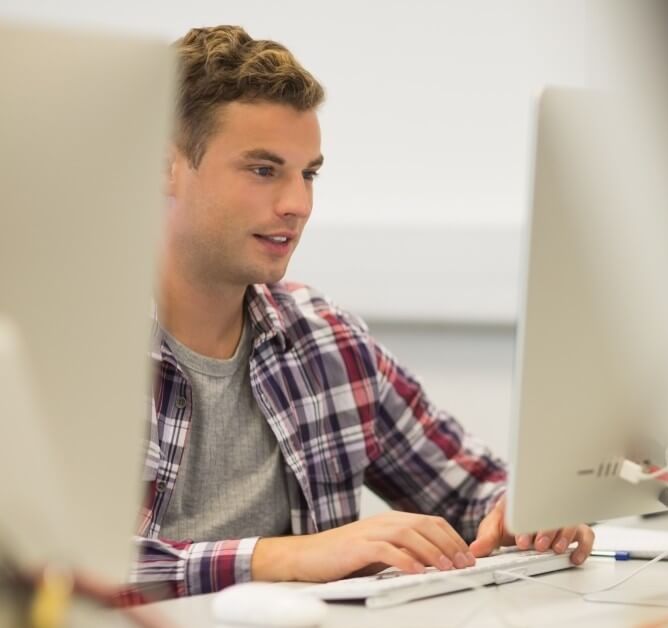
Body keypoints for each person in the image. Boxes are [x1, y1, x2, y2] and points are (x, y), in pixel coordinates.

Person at [129, 24, 592, 601]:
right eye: (263, 170)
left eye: (309, 174)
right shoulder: (64, 345)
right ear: (164, 166)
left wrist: (524, 513)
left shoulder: (325, 339)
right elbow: (46, 569)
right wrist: (285, 557)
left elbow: (475, 491)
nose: (298, 204)